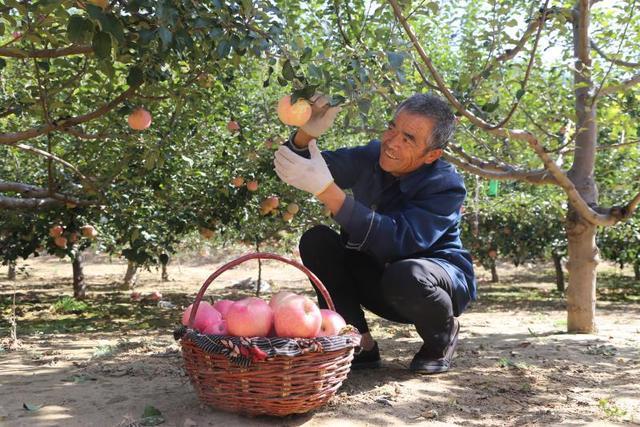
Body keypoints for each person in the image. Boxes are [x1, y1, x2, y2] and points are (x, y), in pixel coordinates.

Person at [273, 93, 476, 374]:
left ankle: (441, 337)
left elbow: (399, 241)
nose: (392, 142)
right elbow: (297, 166)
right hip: (379, 276)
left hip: (428, 287)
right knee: (317, 240)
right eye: (392, 127)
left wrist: (329, 193)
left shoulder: (445, 185)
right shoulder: (371, 156)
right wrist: (305, 134)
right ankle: (360, 343)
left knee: (407, 274)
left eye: (409, 138)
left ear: (432, 155)